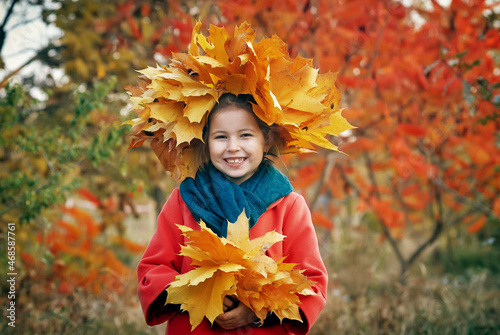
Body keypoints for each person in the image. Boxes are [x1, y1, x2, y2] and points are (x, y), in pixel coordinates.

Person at [137, 93, 328, 334]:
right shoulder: (183, 201)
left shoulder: (289, 206)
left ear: (266, 139)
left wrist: (259, 310)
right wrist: (197, 293)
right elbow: (152, 271)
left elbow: (311, 284)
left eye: (245, 135)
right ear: (205, 141)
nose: (233, 147)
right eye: (221, 137)